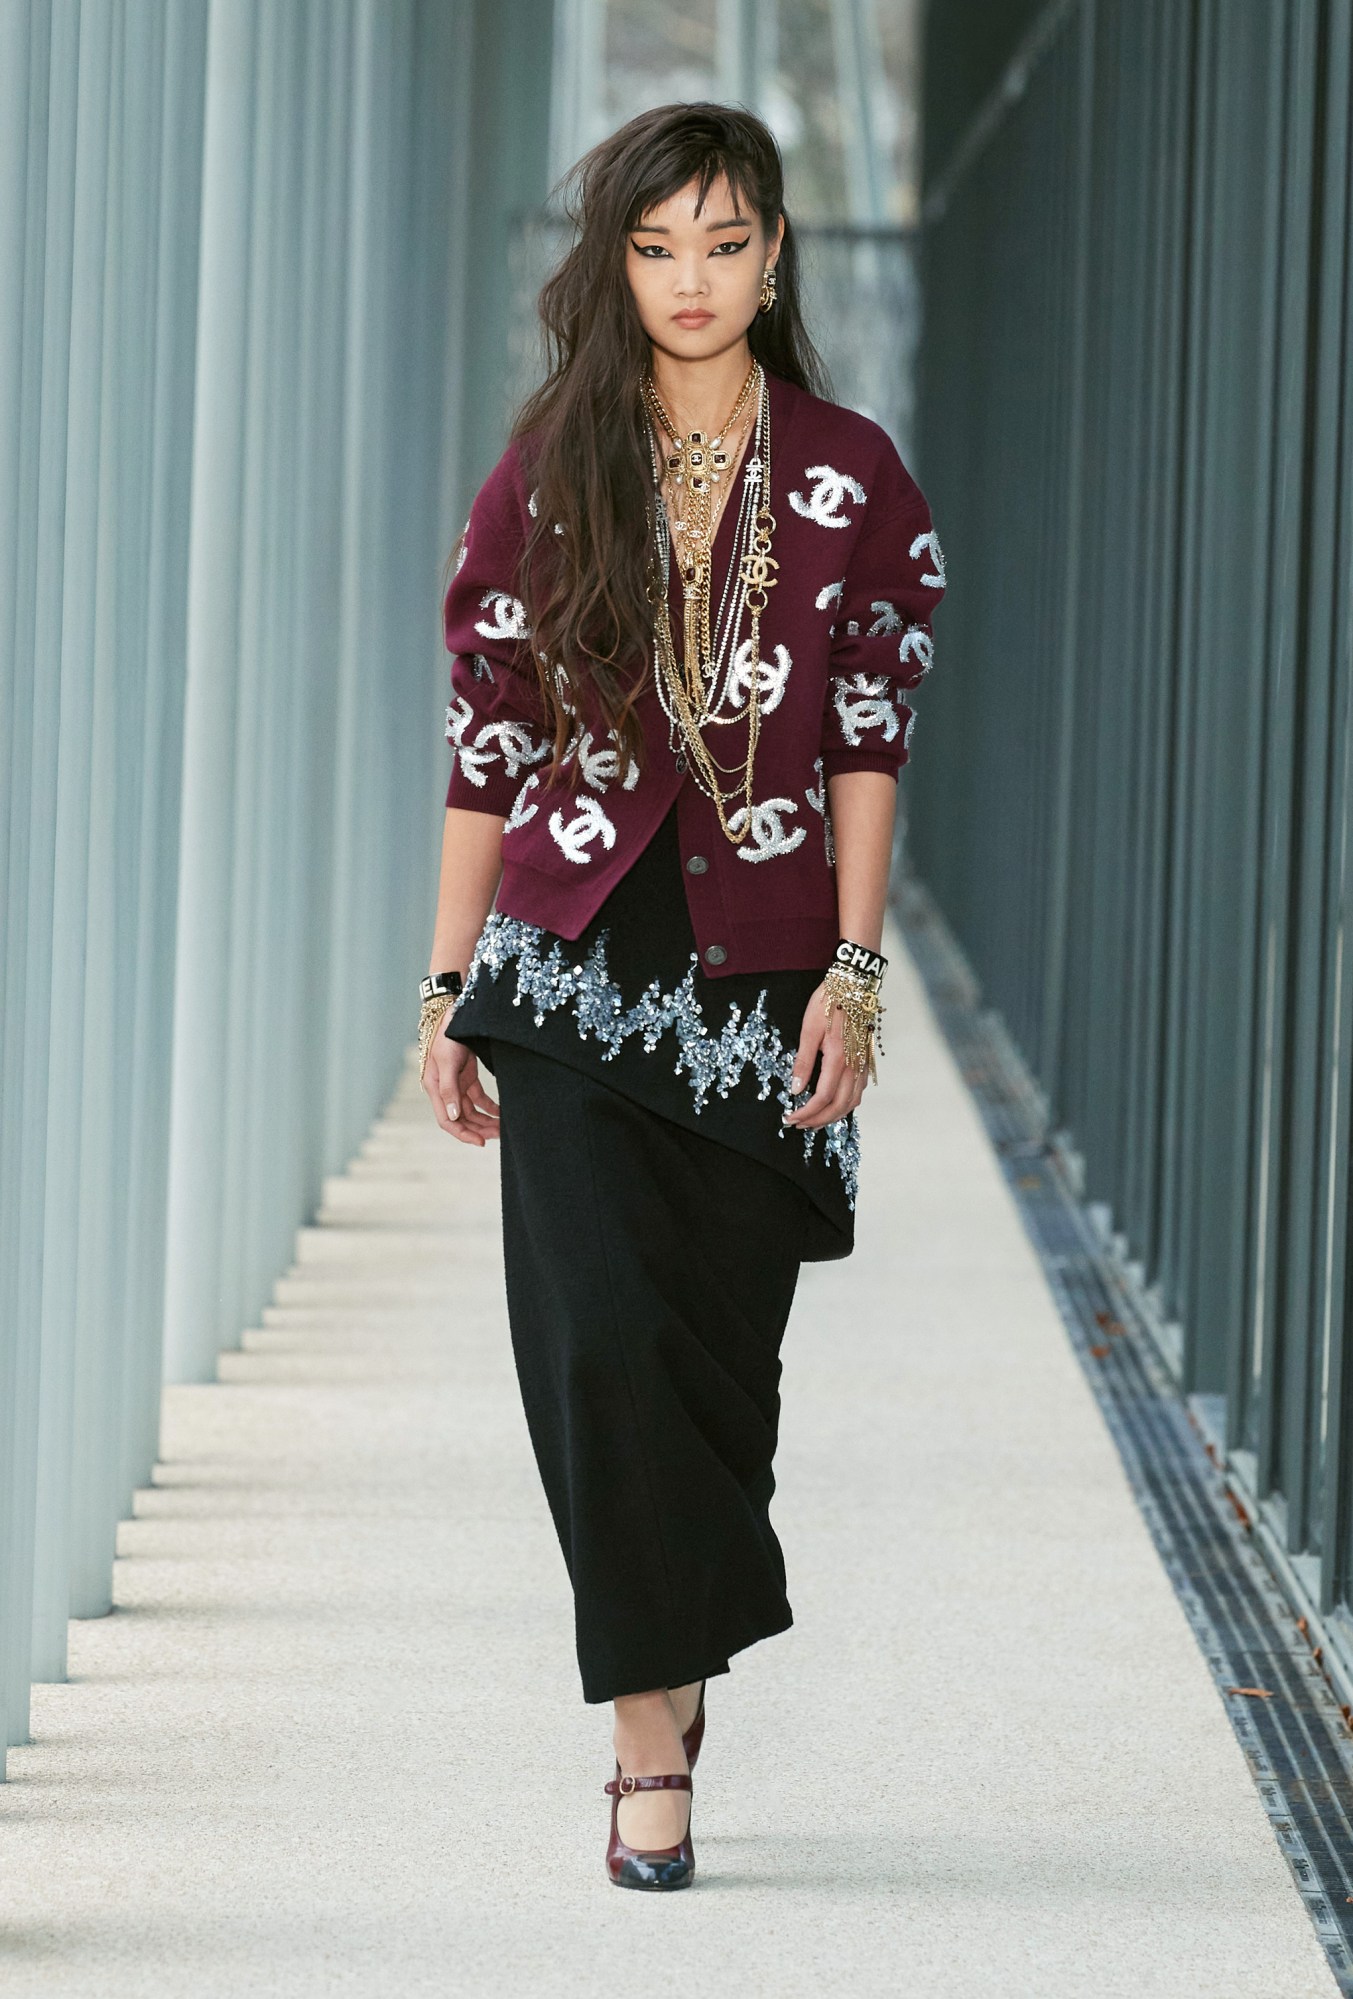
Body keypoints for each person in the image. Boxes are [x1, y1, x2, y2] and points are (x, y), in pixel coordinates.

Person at [418, 101, 945, 1892]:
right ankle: (648, 1743)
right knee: (596, 1349)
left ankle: (673, 1645)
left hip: (762, 973)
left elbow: (870, 741)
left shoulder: (855, 477)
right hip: (569, 964)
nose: (691, 279)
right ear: (615, 265)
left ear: (776, 253)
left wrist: (855, 982)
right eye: (655, 247)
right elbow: (484, 745)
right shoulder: (550, 467)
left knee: (717, 1367)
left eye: (724, 243)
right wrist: (444, 987)